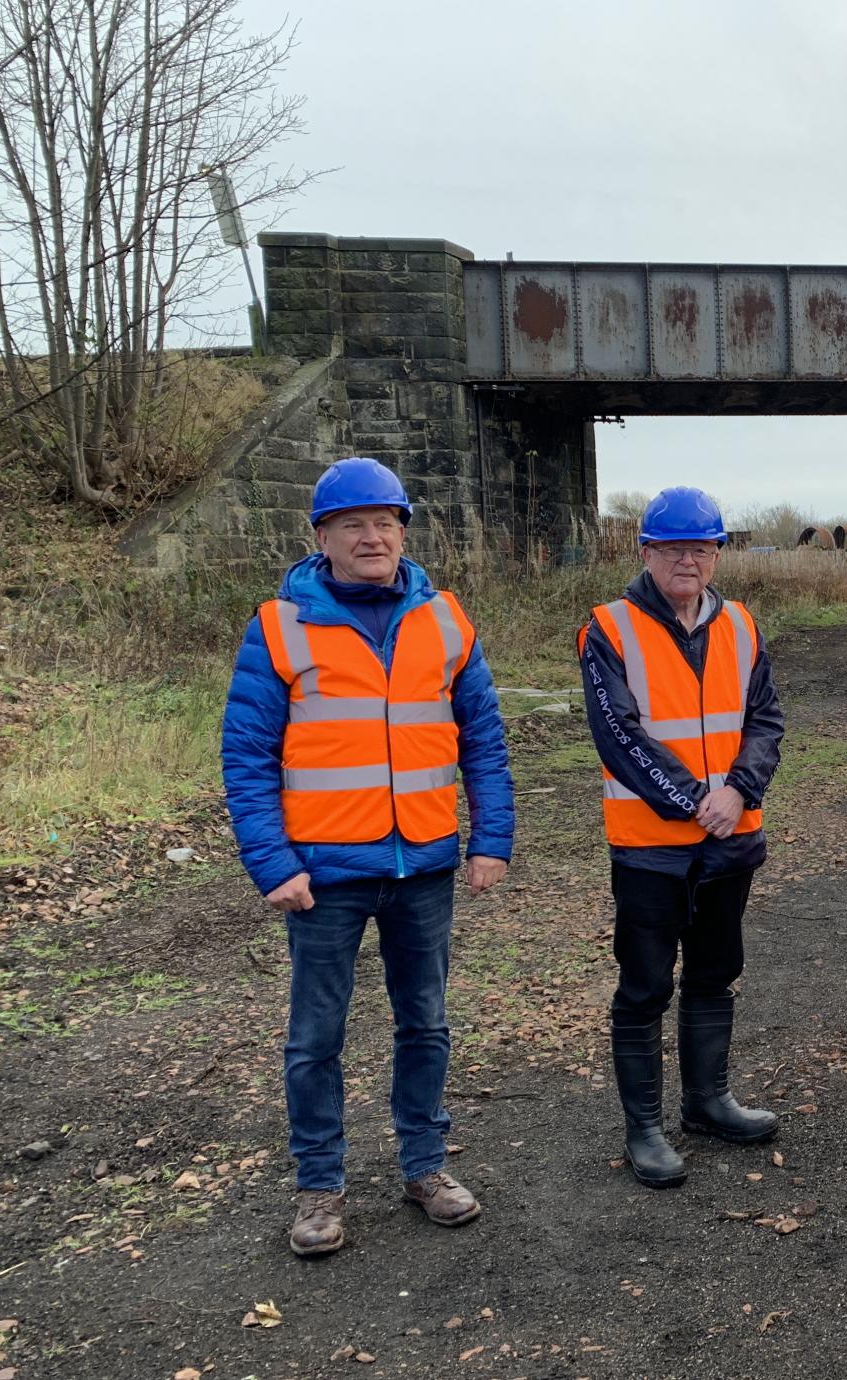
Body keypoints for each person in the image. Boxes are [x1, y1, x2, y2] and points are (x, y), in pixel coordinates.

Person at [221, 456, 514, 1257]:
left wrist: (490, 839)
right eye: (354, 524)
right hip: (324, 877)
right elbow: (245, 755)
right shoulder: (279, 625)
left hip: (423, 867)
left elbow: (483, 741)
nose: (373, 537)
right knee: (316, 1037)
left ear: (404, 533)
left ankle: (425, 1167)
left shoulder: (447, 621)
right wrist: (272, 862)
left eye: (386, 523)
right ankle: (320, 1188)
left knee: (426, 1024)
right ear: (322, 537)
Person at [579, 486, 785, 1188]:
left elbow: (766, 722)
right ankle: (644, 1128)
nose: (687, 561)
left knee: (713, 974)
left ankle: (707, 1101)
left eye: (701, 548)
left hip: (731, 842)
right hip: (650, 847)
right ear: (646, 552)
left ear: (719, 553)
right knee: (642, 986)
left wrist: (739, 792)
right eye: (672, 549)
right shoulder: (609, 628)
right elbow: (619, 736)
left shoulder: (743, 626)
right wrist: (699, 801)